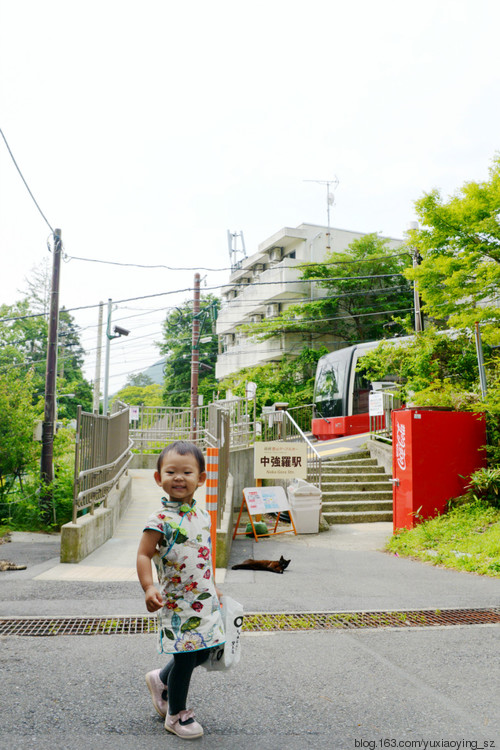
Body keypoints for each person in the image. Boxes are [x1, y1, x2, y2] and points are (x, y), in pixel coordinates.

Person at [137, 440, 224, 739]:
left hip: (204, 598)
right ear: (158, 477)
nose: (178, 477)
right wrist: (149, 587)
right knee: (187, 656)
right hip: (177, 603)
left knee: (204, 651)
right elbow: (144, 554)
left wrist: (215, 587)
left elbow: (205, 554)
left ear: (201, 479)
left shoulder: (202, 515)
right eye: (171, 471)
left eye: (187, 472)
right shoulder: (159, 520)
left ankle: (160, 678)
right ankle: (176, 714)